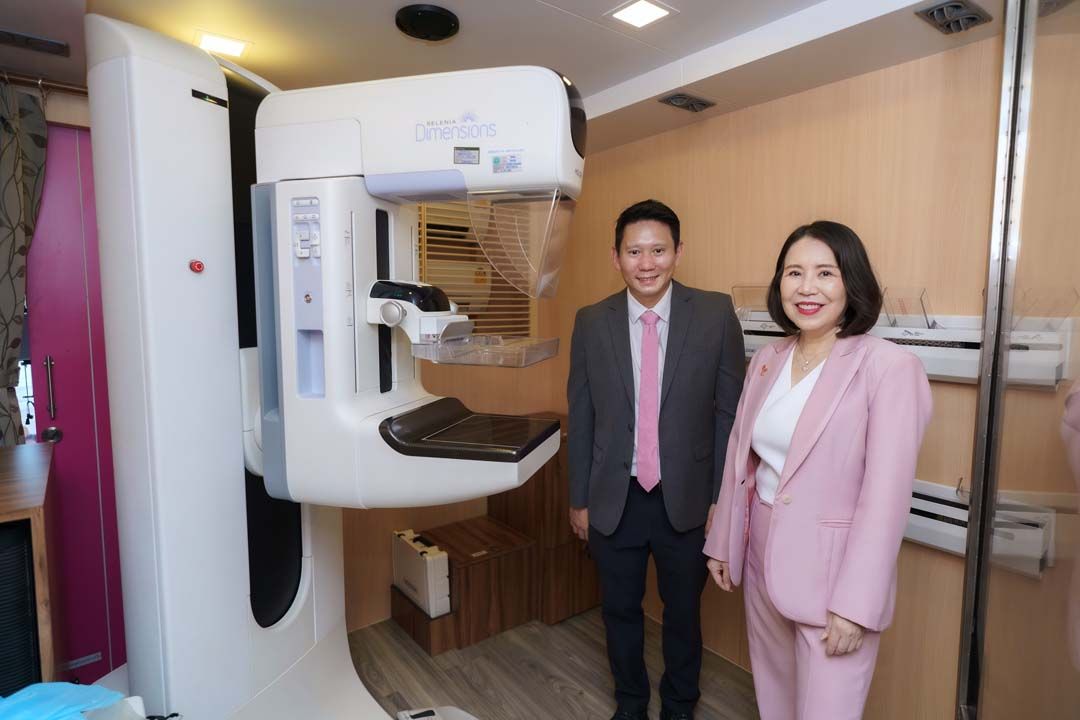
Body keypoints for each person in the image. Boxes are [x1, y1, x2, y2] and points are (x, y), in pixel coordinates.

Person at [703, 220, 932, 719]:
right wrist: (723, 540)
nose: (807, 288)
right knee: (775, 699)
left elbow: (886, 499)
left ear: (852, 282)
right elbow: (741, 455)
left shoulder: (889, 368)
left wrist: (856, 604)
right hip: (762, 556)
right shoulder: (768, 358)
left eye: (825, 273)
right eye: (794, 273)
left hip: (835, 575)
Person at [567, 199, 745, 720]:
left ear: (678, 252)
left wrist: (721, 499)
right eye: (634, 252)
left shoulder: (714, 314)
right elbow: (583, 415)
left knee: (683, 613)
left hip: (686, 498)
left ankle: (680, 705)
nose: (646, 264)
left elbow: (729, 416)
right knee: (619, 610)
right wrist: (579, 499)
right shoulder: (591, 321)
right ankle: (630, 703)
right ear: (616, 257)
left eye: (658, 250)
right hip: (614, 495)